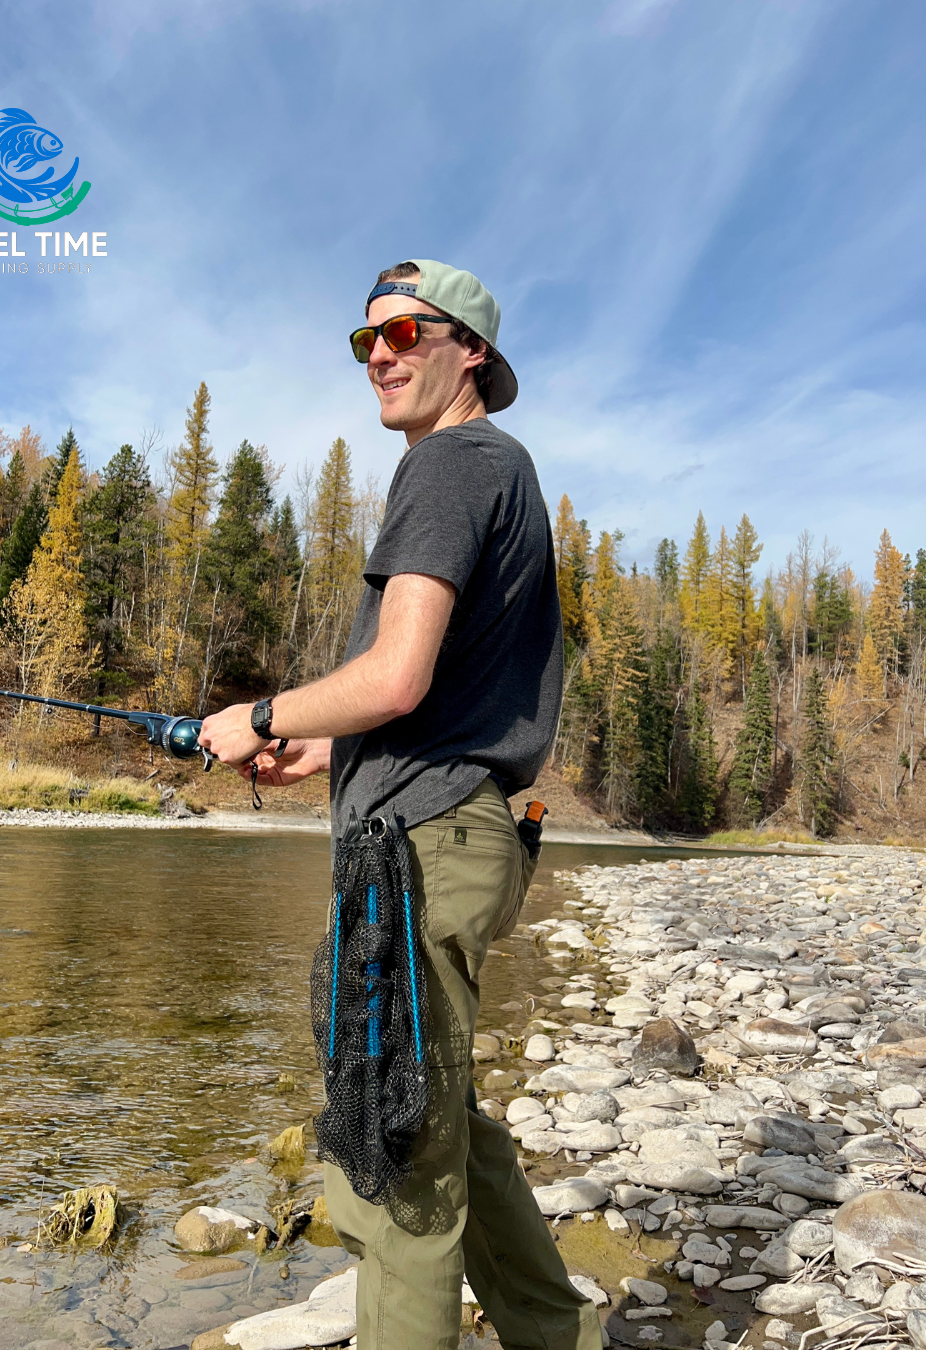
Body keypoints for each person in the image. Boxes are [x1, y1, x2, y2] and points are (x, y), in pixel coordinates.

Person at [197, 260, 600, 1350]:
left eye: (406, 333)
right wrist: (328, 752)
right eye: (365, 341)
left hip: (424, 849)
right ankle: (562, 1338)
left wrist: (267, 713)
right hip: (458, 830)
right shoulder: (496, 469)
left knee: (400, 1162)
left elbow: (399, 675)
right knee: (445, 1124)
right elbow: (442, 699)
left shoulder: (453, 464)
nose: (380, 354)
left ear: (470, 350)